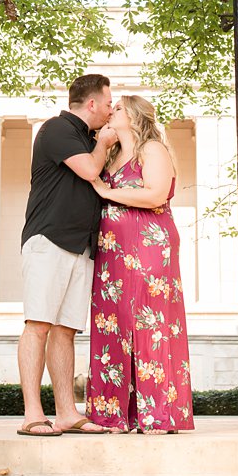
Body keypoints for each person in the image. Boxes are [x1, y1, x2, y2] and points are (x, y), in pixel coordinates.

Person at [16, 73, 118, 436]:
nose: (110, 110)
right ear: (91, 104)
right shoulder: (56, 129)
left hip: (81, 246)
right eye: (108, 103)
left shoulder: (87, 138)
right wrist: (104, 143)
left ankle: (66, 413)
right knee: (39, 325)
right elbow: (90, 170)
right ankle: (32, 414)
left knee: (65, 331)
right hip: (48, 240)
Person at [86, 94, 195, 434]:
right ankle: (113, 415)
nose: (109, 111)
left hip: (150, 245)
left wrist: (105, 191)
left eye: (116, 108)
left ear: (132, 117)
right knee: (112, 325)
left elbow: (155, 194)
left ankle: (158, 415)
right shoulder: (112, 156)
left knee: (151, 323)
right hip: (112, 254)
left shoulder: (152, 149)